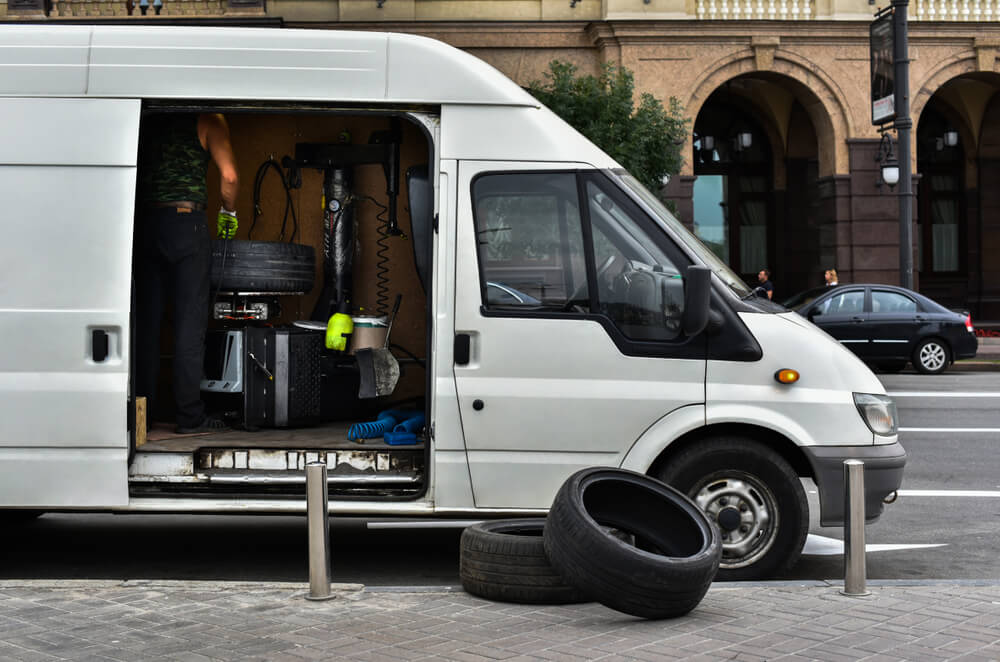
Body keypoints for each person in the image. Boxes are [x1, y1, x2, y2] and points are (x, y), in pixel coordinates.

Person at [135, 113, 240, 434]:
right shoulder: (210, 120)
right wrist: (229, 210)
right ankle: (189, 416)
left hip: (146, 224)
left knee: (146, 327)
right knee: (189, 326)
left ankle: (142, 414)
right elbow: (230, 177)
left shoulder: (147, 117)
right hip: (187, 223)